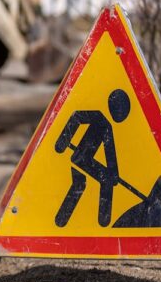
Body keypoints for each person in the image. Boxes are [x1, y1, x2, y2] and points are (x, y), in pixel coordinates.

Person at [54, 89, 130, 227]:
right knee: (90, 183)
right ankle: (103, 220)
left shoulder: (107, 126)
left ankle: (61, 222)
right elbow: (76, 117)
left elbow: (110, 153)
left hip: (83, 160)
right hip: (81, 158)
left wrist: (114, 174)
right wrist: (62, 142)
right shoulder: (98, 117)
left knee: (82, 184)